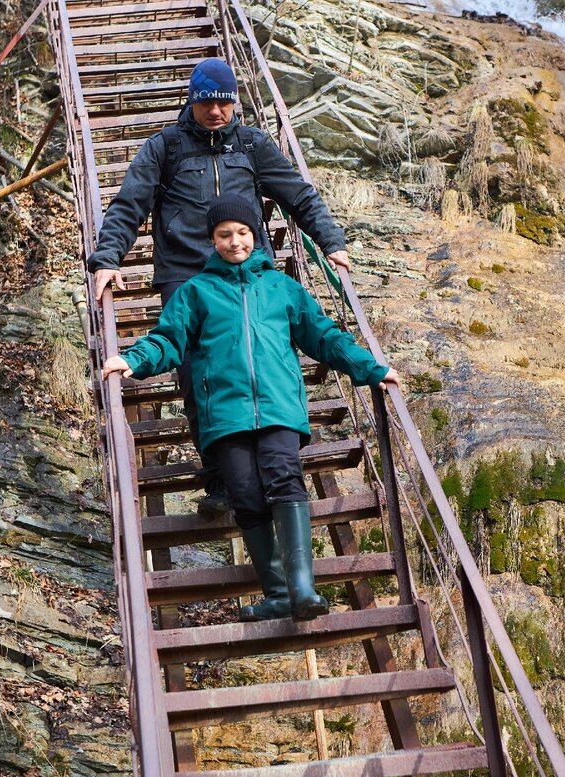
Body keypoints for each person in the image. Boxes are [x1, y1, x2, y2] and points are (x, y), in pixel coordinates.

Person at [101, 195, 399, 621]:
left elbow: (325, 338)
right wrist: (133, 359)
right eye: (225, 235)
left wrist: (371, 369)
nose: (235, 241)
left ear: (255, 234)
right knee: (244, 495)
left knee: (284, 477)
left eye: (242, 232)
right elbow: (169, 339)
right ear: (212, 241)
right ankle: (278, 594)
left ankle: (302, 588)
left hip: (278, 407)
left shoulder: (282, 288)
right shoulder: (196, 292)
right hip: (224, 413)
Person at [89, 58, 353, 515]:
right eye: (207, 101)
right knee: (196, 373)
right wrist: (108, 258)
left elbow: (299, 194)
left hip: (249, 274)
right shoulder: (164, 148)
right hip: (187, 275)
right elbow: (129, 204)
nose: (216, 111)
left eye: (224, 102)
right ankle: (222, 481)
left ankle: (276, 470)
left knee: (265, 363)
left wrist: (330, 241)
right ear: (192, 100)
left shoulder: (252, 145)